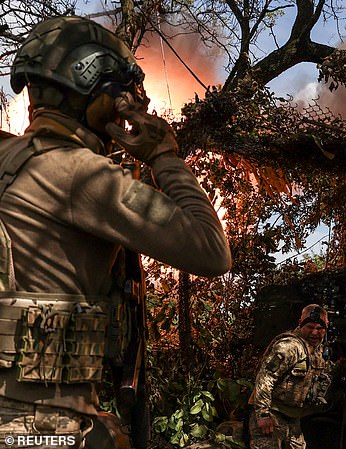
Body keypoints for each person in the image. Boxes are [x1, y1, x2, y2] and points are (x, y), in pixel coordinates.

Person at [0, 15, 231, 449]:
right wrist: (164, 155)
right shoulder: (84, 176)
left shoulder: (8, 157)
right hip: (42, 424)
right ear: (95, 94)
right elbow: (211, 250)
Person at [249, 304, 332, 449]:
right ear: (300, 324)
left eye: (319, 329)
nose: (314, 333)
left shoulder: (317, 352)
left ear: (326, 327)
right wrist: (263, 415)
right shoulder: (290, 347)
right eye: (310, 327)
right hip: (272, 415)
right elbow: (265, 377)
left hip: (293, 420)